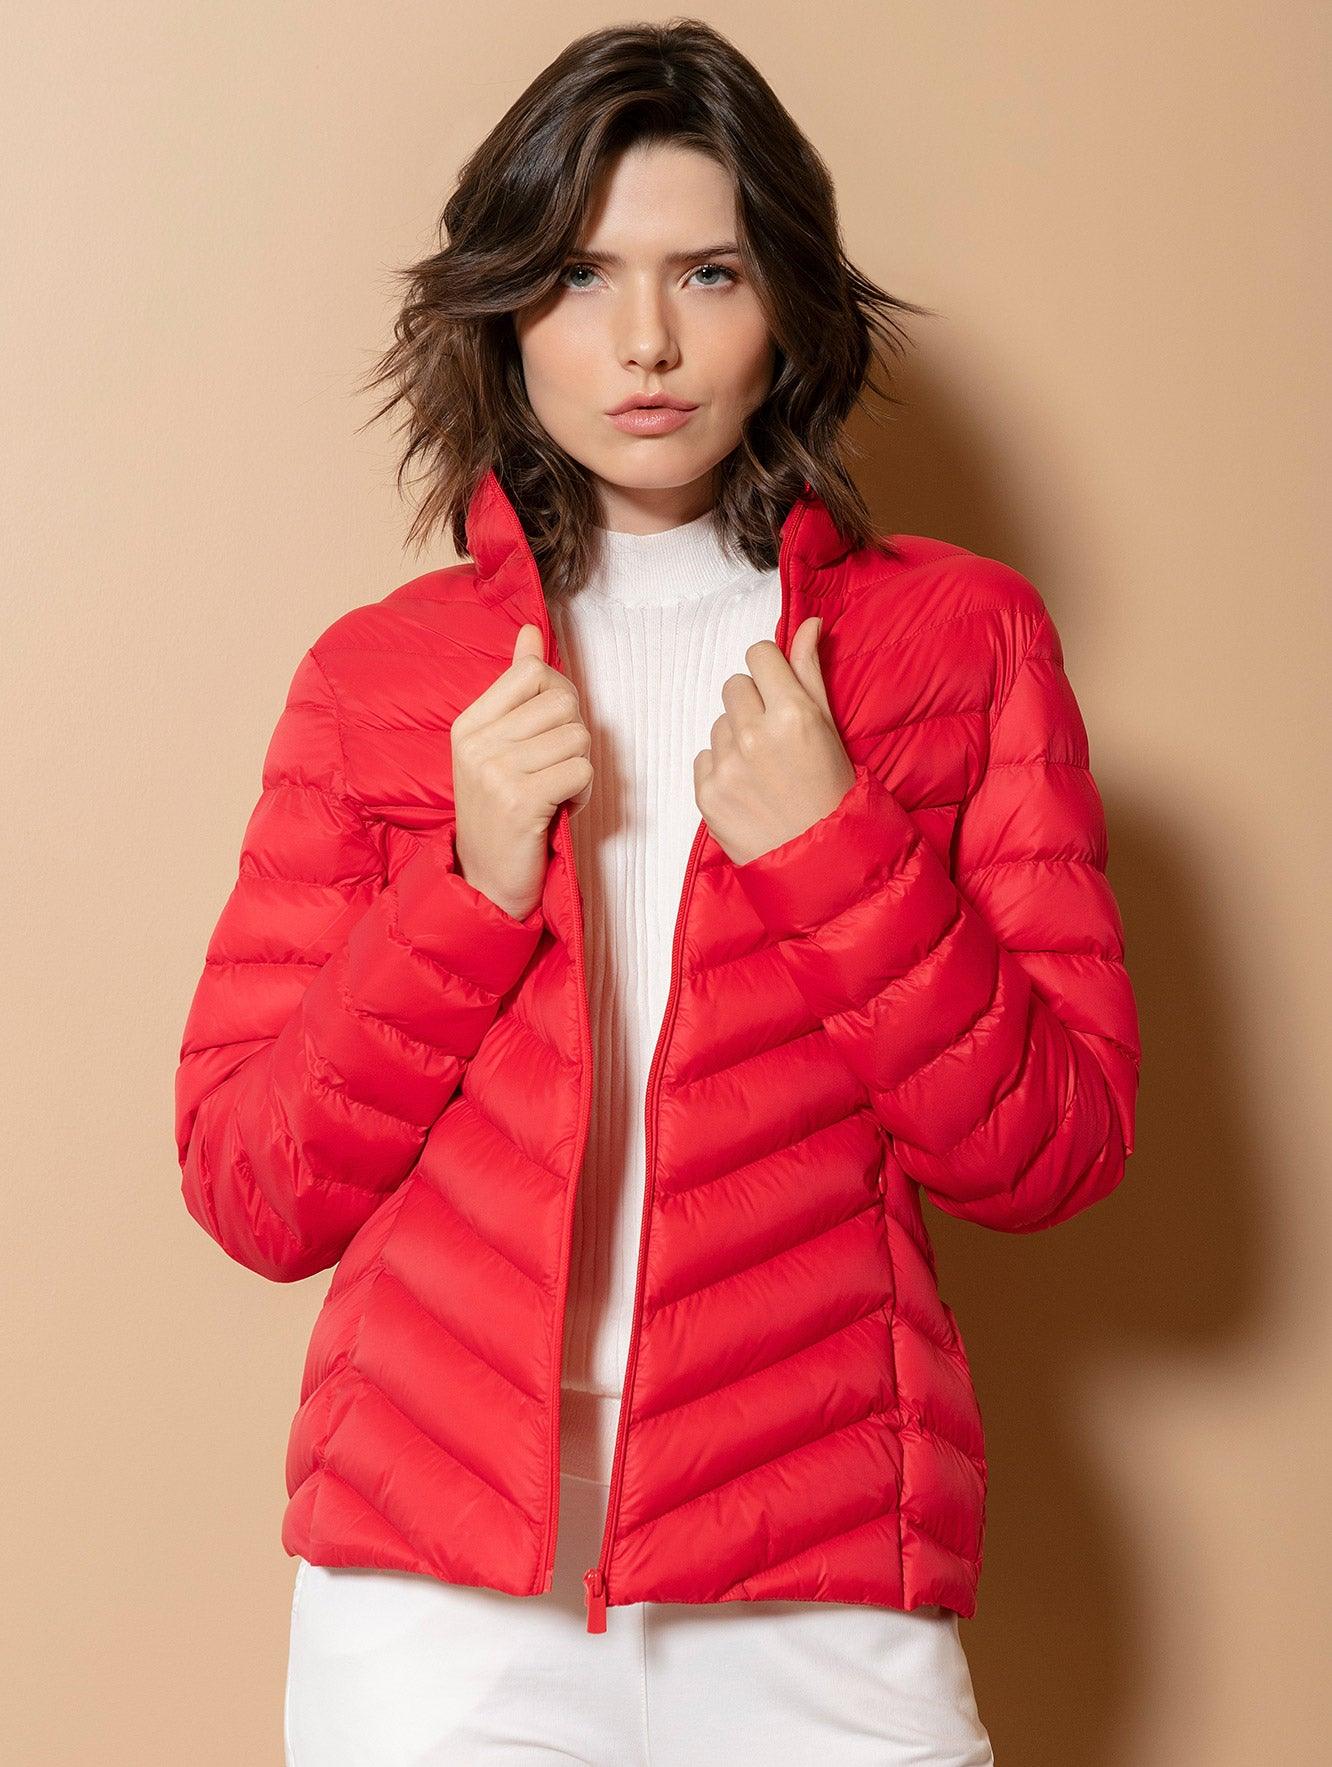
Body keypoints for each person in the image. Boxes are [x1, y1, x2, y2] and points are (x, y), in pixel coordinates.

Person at [173, 21, 1140, 1766]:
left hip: (817, 1549)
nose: (645, 344)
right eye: (578, 276)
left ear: (789, 302)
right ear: (500, 312)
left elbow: (1052, 1154)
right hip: (440, 1589)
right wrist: (465, 887)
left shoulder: (957, 642)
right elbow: (255, 1188)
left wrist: (837, 848)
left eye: (707, 272)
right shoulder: (378, 682)